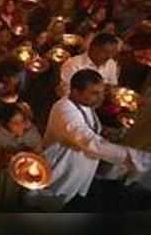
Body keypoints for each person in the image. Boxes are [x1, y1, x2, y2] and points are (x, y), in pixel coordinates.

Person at [36, 70, 151, 211]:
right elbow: (90, 142)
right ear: (75, 92)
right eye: (95, 93)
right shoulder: (64, 110)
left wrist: (112, 134)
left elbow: (92, 131)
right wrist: (138, 158)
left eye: (102, 92)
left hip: (79, 174)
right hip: (61, 174)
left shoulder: (84, 104)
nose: (101, 98)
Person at [0, 103, 42, 212]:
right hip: (2, 172)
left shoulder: (31, 131)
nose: (20, 126)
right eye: (15, 123)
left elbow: (38, 152)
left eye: (22, 122)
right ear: (6, 123)